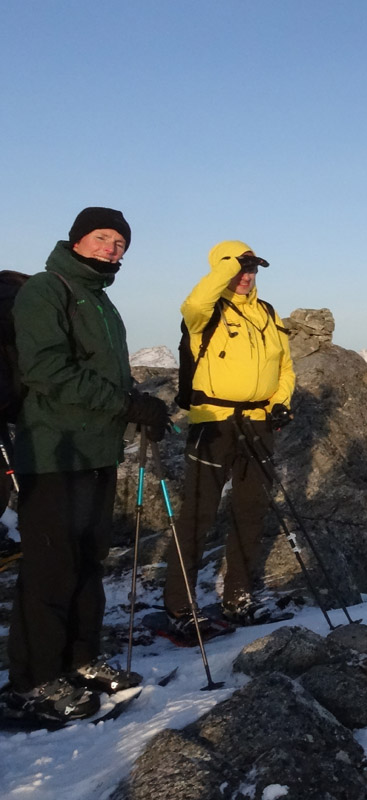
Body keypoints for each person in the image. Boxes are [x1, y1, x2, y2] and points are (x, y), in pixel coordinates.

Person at [5, 207, 169, 722]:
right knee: (51, 568)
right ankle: (32, 681)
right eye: (102, 238)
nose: (111, 249)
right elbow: (46, 368)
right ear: (77, 240)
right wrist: (124, 405)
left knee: (88, 562)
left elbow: (107, 377)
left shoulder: (100, 301)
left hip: (96, 451)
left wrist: (140, 402)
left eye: (120, 243)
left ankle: (80, 660)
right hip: (54, 452)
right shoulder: (47, 291)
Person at [164, 240, 294, 635]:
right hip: (213, 422)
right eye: (239, 269)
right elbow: (194, 304)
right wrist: (227, 266)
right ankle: (179, 606)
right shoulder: (207, 312)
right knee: (198, 514)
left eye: (252, 269)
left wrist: (280, 402)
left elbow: (285, 366)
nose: (246, 276)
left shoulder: (267, 313)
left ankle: (238, 597)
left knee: (250, 511)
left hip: (258, 423)